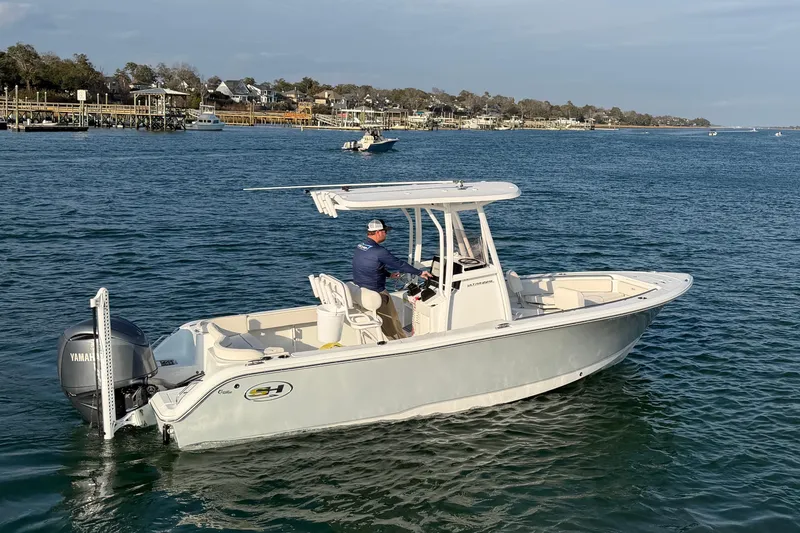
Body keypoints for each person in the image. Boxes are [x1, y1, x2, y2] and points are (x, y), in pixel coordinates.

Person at [353, 219, 432, 339]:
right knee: (392, 322)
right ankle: (400, 344)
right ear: (379, 232)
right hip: (377, 293)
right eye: (385, 231)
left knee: (390, 320)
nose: (386, 234)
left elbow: (368, 266)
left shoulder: (361, 246)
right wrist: (420, 272)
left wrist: (388, 275)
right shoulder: (379, 251)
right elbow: (399, 264)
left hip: (361, 290)